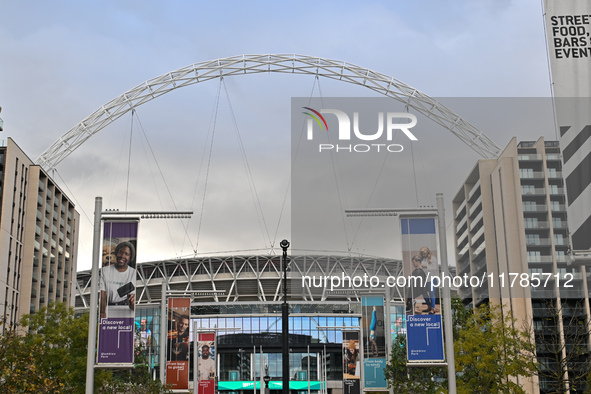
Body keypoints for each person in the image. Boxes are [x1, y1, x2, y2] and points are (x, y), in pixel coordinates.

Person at [100, 241, 136, 319]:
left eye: (126, 254)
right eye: (120, 252)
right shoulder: (105, 271)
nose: (122, 256)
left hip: (126, 313)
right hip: (108, 311)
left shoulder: (133, 273)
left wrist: (133, 304)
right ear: (116, 253)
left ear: (130, 257)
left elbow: (133, 298)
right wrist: (102, 314)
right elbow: (102, 295)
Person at [420, 246, 439, 311]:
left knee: (431, 293)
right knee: (423, 292)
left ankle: (433, 308)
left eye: (424, 253)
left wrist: (426, 267)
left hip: (432, 278)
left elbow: (435, 268)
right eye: (422, 253)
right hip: (425, 279)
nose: (423, 255)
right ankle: (429, 306)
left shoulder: (433, 259)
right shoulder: (423, 260)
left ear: (428, 253)